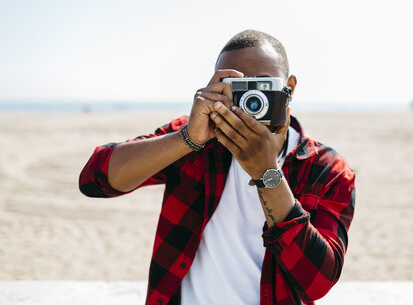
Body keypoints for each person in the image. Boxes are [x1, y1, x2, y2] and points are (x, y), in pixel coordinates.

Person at [79, 30, 355, 305]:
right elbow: (94, 180)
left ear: (290, 88)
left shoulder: (326, 169)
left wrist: (266, 172)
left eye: (263, 85)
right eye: (237, 88)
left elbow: (317, 283)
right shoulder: (196, 140)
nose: (252, 99)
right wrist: (188, 138)